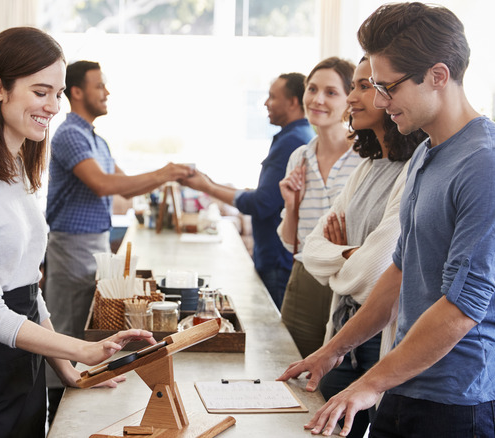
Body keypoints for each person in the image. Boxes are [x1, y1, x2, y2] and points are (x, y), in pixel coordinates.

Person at [279, 3, 495, 436]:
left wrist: (368, 384)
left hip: (465, 403)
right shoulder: (426, 152)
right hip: (405, 386)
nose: (380, 101)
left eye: (388, 87)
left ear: (439, 76)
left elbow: (462, 308)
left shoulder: (489, 162)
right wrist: (333, 350)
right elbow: (400, 270)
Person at [0, 28, 155, 438]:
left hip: (23, 360)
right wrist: (81, 348)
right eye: (40, 92)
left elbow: (26, 287)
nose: (53, 106)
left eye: (58, 93)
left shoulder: (14, 168)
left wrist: (69, 370)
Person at [44, 60, 192, 420]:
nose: (106, 92)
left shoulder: (95, 138)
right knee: (65, 328)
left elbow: (124, 184)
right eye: (100, 85)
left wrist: (166, 177)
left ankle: (79, 410)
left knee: (86, 327)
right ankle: (55, 415)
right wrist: (164, 172)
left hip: (92, 242)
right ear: (76, 92)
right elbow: (104, 185)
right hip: (70, 246)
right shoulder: (70, 135)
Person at [296, 57, 426, 438]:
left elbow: (376, 274)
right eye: (353, 86)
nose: (353, 97)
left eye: (364, 87)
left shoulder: (414, 169)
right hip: (343, 331)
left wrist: (348, 259)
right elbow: (311, 249)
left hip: (380, 337)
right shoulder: (366, 168)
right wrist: (353, 255)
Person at [180, 72, 315, 308]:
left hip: (277, 260)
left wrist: (208, 187)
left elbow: (261, 203)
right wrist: (209, 183)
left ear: (294, 102)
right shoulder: (298, 136)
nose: (265, 103)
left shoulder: (291, 142)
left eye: (272, 97)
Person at [276, 57, 363, 353]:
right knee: (292, 368)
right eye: (312, 89)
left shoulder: (367, 157)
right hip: (305, 280)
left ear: (350, 100)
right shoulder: (299, 157)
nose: (317, 99)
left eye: (331, 92)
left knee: (339, 379)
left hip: (353, 279)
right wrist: (291, 206)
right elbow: (292, 244)